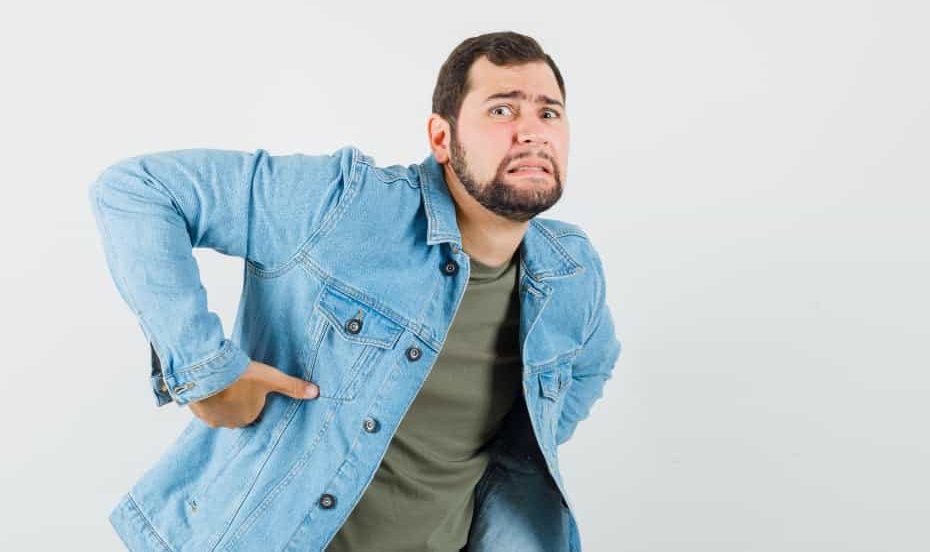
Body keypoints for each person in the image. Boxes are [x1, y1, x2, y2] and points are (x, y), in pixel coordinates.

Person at [89, 31, 622, 551]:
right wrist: (206, 372)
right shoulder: (345, 203)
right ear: (442, 138)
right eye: (502, 111)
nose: (532, 132)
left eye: (548, 113)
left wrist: (517, 455)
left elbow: (592, 366)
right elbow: (139, 190)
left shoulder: (570, 271)